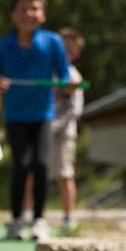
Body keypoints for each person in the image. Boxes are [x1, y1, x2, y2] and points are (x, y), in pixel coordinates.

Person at [0, 0, 70, 240]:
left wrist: (63, 84)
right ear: (14, 15)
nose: (29, 14)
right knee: (21, 166)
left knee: (42, 165)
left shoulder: (53, 42)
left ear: (43, 14)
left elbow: (64, 74)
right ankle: (15, 220)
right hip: (15, 117)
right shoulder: (3, 46)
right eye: (23, 9)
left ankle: (39, 219)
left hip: (44, 116)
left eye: (34, 9)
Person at [22, 27, 85, 235]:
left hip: (63, 135)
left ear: (75, 53)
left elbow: (74, 109)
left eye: (68, 48)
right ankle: (27, 214)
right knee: (33, 172)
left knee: (64, 174)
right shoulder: (46, 72)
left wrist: (54, 127)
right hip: (40, 130)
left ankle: (68, 217)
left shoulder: (73, 76)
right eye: (60, 46)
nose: (63, 51)